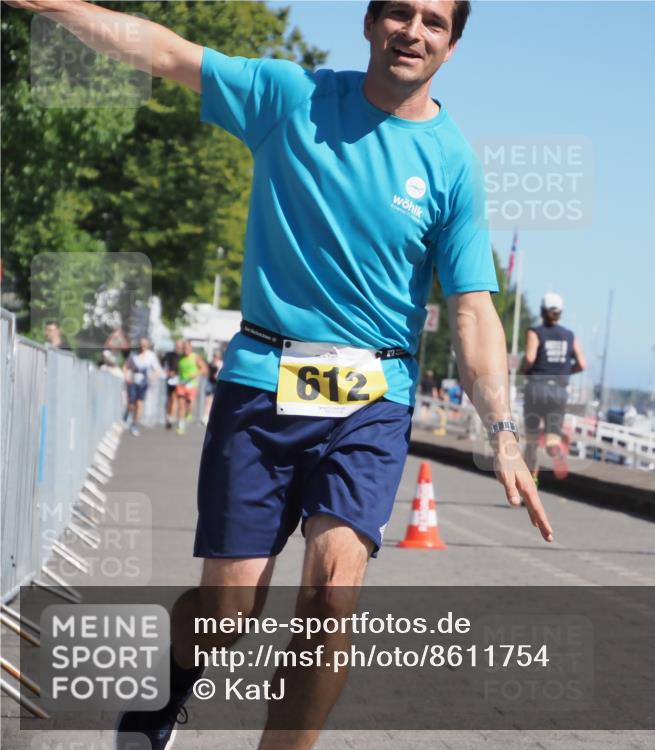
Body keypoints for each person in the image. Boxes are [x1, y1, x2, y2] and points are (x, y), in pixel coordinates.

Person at [5, 3, 552, 749]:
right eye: (400, 12)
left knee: (331, 595)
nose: (413, 31)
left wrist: (505, 433)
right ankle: (165, 695)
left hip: (372, 399)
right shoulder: (289, 99)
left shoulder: (453, 163)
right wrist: (50, 4)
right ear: (370, 23)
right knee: (227, 613)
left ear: (451, 47)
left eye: (433, 21)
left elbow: (473, 313)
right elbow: (164, 52)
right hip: (263, 380)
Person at [520, 292, 586, 482]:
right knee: (552, 438)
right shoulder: (570, 336)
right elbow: (582, 364)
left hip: (537, 388)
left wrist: (525, 369)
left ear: (541, 311)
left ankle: (531, 482)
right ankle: (556, 451)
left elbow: (531, 358)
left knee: (532, 441)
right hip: (558, 391)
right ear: (560, 313)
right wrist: (565, 372)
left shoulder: (535, 332)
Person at [124, 338, 164, 436]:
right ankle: (127, 413)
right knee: (131, 403)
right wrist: (126, 377)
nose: (142, 347)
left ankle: (135, 424)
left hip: (144, 382)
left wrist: (153, 378)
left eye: (144, 345)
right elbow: (126, 366)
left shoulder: (151, 356)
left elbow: (157, 369)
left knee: (139, 403)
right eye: (141, 345)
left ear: (147, 346)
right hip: (133, 381)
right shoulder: (133, 355)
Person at [173, 340, 207, 435]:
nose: (185, 350)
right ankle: (180, 425)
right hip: (182, 384)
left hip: (192, 384)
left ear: (191, 348)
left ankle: (189, 413)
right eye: (184, 348)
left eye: (187, 348)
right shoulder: (180, 358)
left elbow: (204, 369)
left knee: (190, 404)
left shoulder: (195, 357)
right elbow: (177, 370)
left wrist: (196, 374)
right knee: (181, 404)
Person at [160, 338, 183, 430]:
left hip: (181, 379)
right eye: (177, 346)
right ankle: (169, 416)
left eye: (179, 346)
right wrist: (167, 371)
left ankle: (174, 418)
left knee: (178, 399)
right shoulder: (169, 355)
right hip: (171, 380)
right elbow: (162, 363)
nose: (178, 348)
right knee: (170, 399)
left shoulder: (183, 356)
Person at [201, 349, 223, 425]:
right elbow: (207, 372)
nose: (215, 357)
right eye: (214, 356)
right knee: (208, 401)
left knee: (216, 402)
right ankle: (205, 417)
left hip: (218, 384)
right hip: (210, 383)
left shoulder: (221, 364)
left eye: (217, 356)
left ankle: (214, 417)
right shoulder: (210, 364)